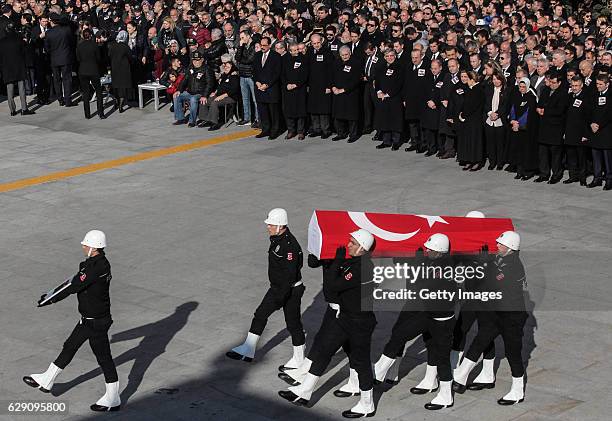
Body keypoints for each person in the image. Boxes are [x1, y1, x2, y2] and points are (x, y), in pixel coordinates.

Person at [278, 230, 377, 418]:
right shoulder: (354, 263)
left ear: (362, 248)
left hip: (359, 324)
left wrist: (337, 261)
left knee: (361, 362)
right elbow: (321, 268)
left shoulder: (362, 268)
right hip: (345, 317)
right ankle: (305, 391)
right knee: (324, 350)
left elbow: (333, 285)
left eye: (352, 243)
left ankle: (367, 404)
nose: (348, 245)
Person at [23, 230, 120, 412]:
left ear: (93, 247)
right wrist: (51, 294)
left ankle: (113, 398)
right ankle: (47, 380)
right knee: (70, 346)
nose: (83, 246)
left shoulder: (95, 268)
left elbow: (73, 286)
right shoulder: (97, 264)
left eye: (86, 244)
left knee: (104, 358)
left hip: (96, 322)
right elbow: (73, 281)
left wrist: (50, 299)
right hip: (89, 319)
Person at [373, 234, 457, 411]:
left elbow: (424, 284)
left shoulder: (445, 268)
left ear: (440, 251)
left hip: (442, 321)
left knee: (441, 357)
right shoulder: (435, 262)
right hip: (428, 314)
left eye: (430, 249)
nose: (427, 250)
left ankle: (445, 395)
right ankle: (380, 369)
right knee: (400, 334)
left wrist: (418, 264)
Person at [453, 231, 529, 406]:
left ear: (510, 248)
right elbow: (489, 265)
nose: (497, 246)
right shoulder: (502, 259)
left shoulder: (513, 267)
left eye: (501, 244)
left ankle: (517, 391)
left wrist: (479, 266)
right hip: (497, 314)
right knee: (480, 341)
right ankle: (462, 375)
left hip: (511, 318)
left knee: (513, 353)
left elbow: (492, 281)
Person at [227, 209, 305, 369]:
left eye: (271, 224)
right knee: (260, 314)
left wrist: (280, 297)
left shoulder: (289, 246)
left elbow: (290, 275)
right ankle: (248, 349)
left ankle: (299, 360)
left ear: (280, 226)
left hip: (289, 290)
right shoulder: (278, 239)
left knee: (293, 324)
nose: (268, 226)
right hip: (278, 288)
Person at [534, 71, 568, 184]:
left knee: (555, 155)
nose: (552, 84)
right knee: (542, 153)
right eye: (551, 82)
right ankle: (544, 173)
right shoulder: (545, 90)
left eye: (554, 82)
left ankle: (556, 174)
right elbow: (540, 103)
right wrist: (539, 108)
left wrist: (545, 110)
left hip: (555, 128)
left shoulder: (563, 94)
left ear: (559, 83)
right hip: (544, 126)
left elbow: (560, 110)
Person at [172, 51, 215, 127]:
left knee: (193, 99)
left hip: (200, 93)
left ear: (202, 60)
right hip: (190, 91)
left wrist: (204, 95)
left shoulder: (207, 69)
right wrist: (179, 90)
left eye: (198, 60)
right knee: (176, 96)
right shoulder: (190, 67)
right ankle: (180, 118)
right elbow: (184, 80)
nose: (196, 62)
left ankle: (192, 121)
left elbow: (210, 84)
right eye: (194, 60)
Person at [507, 78, 539, 181]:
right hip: (516, 128)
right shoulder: (516, 96)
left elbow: (528, 114)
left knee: (527, 151)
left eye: (524, 87)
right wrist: (513, 121)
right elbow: (512, 109)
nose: (522, 89)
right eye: (520, 87)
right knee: (518, 150)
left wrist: (519, 124)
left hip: (526, 129)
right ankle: (519, 170)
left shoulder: (531, 98)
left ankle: (528, 171)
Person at [0, 22, 34, 115]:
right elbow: (24, 51)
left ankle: (12, 110)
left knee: (9, 89)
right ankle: (24, 109)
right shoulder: (19, 40)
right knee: (21, 87)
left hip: (7, 68)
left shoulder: (2, 42)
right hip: (19, 66)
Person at [198, 55, 239, 130]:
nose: (226, 68)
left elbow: (234, 90)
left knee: (214, 102)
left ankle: (214, 122)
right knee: (205, 100)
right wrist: (215, 92)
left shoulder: (234, 76)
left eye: (228, 67)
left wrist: (222, 96)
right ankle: (205, 119)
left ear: (232, 68)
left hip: (230, 97)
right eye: (225, 67)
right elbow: (220, 86)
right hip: (220, 95)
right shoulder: (224, 75)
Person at [374, 49, 405, 150]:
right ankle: (386, 141)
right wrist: (379, 92)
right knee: (384, 119)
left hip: (394, 97)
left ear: (395, 56)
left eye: (391, 56)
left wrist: (388, 94)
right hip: (382, 98)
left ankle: (396, 141)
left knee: (395, 120)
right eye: (387, 56)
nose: (389, 58)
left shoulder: (400, 67)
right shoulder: (381, 67)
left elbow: (399, 83)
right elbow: (377, 81)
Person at [563, 75, 591, 185]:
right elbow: (565, 116)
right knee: (571, 156)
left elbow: (587, 117)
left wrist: (585, 134)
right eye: (573, 85)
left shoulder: (586, 97)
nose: (574, 88)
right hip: (569, 132)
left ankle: (582, 178)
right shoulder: (569, 97)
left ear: (581, 85)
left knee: (581, 157)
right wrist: (564, 132)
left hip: (580, 132)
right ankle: (572, 176)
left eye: (576, 85)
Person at [253, 36, 282, 139]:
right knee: (263, 111)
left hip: (271, 88)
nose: (262, 47)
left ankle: (275, 130)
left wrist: (267, 84)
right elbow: (254, 71)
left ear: (270, 45)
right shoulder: (257, 56)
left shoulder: (276, 56)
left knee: (273, 112)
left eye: (265, 45)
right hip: (259, 87)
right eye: (261, 45)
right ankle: (265, 129)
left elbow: (277, 73)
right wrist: (257, 82)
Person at [331, 46, 362, 143]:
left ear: (350, 53)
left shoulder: (356, 63)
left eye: (346, 54)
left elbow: (356, 80)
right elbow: (331, 76)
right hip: (337, 92)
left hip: (350, 93)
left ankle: (353, 135)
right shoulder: (336, 62)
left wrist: (343, 90)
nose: (344, 57)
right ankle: (340, 133)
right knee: (338, 115)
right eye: (342, 55)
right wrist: (333, 87)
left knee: (351, 116)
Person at [306, 33, 334, 139]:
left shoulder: (327, 53)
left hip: (324, 85)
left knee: (323, 109)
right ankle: (316, 129)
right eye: (314, 43)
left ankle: (325, 130)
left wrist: (329, 86)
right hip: (313, 85)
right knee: (313, 108)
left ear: (321, 41)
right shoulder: (309, 52)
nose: (316, 45)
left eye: (318, 43)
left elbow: (330, 71)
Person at [586, 74, 612, 190]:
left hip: (606, 130)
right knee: (596, 155)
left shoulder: (611, 95)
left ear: (607, 84)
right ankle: (597, 178)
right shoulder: (594, 94)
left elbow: (609, 113)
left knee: (607, 157)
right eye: (597, 84)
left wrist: (599, 125)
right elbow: (589, 110)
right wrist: (591, 123)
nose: (598, 86)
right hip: (594, 130)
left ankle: (609, 179)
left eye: (601, 84)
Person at [457, 70, 485, 171]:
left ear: (472, 80)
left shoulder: (478, 89)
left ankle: (477, 161)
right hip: (468, 119)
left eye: (467, 79)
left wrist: (463, 114)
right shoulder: (470, 89)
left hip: (475, 119)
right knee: (468, 140)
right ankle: (469, 159)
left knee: (475, 141)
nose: (466, 81)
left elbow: (473, 105)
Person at [45, 12, 75, 107]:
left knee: (57, 80)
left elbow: (47, 48)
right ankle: (68, 100)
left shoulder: (48, 33)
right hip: (65, 57)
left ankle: (60, 99)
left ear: (52, 21)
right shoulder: (66, 30)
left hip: (54, 59)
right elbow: (72, 42)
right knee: (67, 79)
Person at [282, 43, 309, 140]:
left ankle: (301, 131)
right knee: (289, 111)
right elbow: (282, 74)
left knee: (300, 111)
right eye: (294, 50)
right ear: (290, 51)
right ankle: (291, 131)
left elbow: (305, 74)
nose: (297, 51)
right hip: (288, 89)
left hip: (299, 89)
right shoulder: (285, 59)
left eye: (297, 49)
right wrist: (287, 84)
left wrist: (296, 84)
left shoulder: (304, 59)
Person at [76, 28, 105, 119]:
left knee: (85, 92)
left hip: (83, 70)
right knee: (98, 91)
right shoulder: (95, 45)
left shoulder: (79, 46)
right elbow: (98, 58)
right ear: (91, 35)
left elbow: (78, 58)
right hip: (93, 70)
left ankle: (87, 114)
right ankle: (101, 113)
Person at [484, 73, 509, 170]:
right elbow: (486, 103)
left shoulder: (506, 91)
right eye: (494, 79)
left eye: (498, 79)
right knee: (490, 143)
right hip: (489, 119)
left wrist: (497, 114)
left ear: (502, 80)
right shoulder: (489, 90)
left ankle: (500, 162)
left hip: (500, 120)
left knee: (500, 143)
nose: (496, 81)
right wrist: (490, 113)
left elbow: (505, 105)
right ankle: (492, 162)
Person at [235, 29, 258, 126]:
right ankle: (247, 118)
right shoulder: (242, 46)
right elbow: (237, 58)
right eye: (240, 38)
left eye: (243, 38)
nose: (241, 40)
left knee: (255, 99)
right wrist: (240, 47)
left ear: (248, 36)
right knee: (245, 98)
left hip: (251, 75)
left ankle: (257, 119)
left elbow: (250, 59)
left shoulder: (254, 45)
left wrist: (241, 59)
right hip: (242, 75)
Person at [108, 30, 133, 113]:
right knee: (122, 87)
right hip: (124, 69)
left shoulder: (112, 46)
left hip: (115, 68)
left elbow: (109, 56)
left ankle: (116, 101)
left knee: (116, 86)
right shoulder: (125, 47)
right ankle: (121, 105)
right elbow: (130, 57)